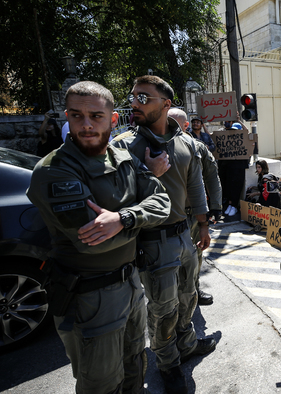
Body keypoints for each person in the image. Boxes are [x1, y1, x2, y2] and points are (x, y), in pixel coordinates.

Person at [27, 81, 171, 394]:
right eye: (77, 116)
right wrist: (137, 214)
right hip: (91, 297)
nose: (87, 124)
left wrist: (123, 218)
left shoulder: (123, 157)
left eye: (96, 116)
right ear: (67, 117)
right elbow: (94, 240)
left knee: (134, 366)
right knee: (102, 384)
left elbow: (162, 201)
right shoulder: (54, 171)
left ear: (113, 119)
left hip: (131, 284)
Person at [113, 75, 216, 394]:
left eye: (143, 98)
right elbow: (116, 197)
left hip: (186, 236)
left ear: (166, 104)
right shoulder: (125, 145)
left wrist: (203, 224)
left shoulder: (185, 142)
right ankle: (168, 364)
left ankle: (186, 345)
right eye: (133, 97)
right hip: (153, 242)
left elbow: (195, 185)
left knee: (189, 297)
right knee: (162, 309)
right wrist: (147, 173)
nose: (134, 104)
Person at [169, 107, 222, 306]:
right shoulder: (155, 146)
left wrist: (215, 207)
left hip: (192, 214)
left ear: (185, 126)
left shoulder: (198, 147)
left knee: (195, 253)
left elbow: (212, 176)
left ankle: (194, 289)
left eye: (175, 123)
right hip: (166, 214)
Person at [218, 121, 250, 219]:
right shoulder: (229, 139)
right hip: (230, 167)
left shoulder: (245, 139)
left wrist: (239, 120)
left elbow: (247, 131)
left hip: (240, 168)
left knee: (236, 187)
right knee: (229, 187)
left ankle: (234, 206)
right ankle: (230, 205)